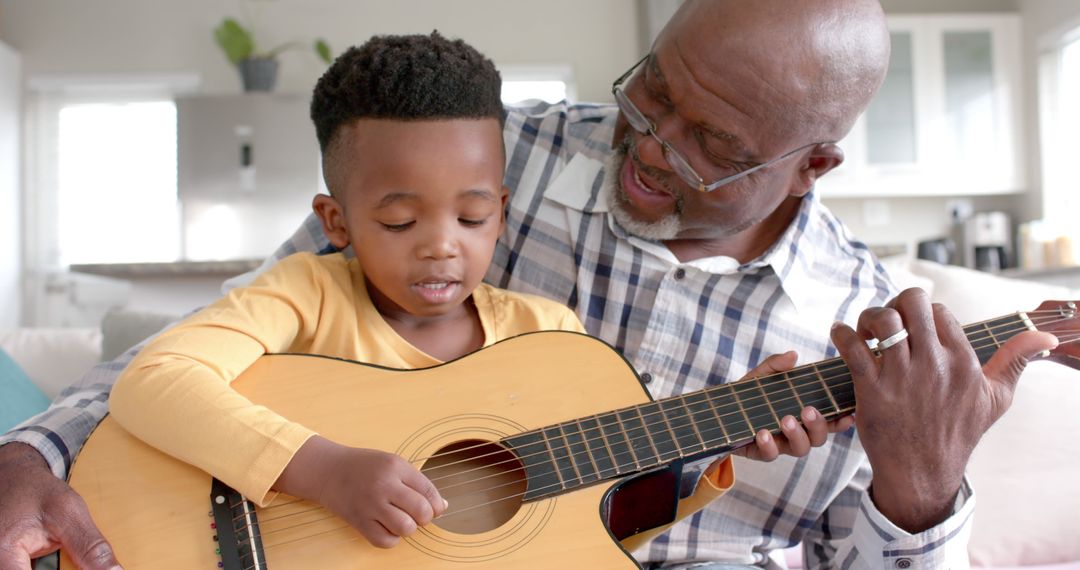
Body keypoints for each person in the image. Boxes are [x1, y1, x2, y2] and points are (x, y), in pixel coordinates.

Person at [0, 1, 1057, 568]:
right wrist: (35, 448)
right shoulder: (480, 165)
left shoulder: (861, 331)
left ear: (814, 162)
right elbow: (224, 336)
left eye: (711, 144)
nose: (646, 145)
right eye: (650, 92)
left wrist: (919, 495)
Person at [105, 31, 601, 550]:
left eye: (471, 217)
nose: (441, 246)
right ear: (335, 222)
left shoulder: (550, 333)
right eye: (399, 221)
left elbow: (575, 525)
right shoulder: (306, 293)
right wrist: (322, 471)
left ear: (500, 212)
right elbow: (152, 380)